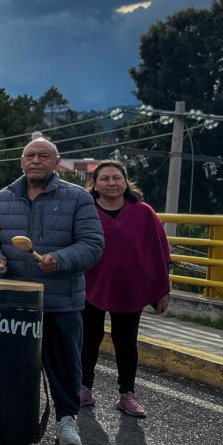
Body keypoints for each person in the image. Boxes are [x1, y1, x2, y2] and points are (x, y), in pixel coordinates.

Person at [0, 137, 104, 445]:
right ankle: (14, 420)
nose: (35, 160)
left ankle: (66, 420)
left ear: (56, 162)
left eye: (43, 156)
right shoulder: (2, 197)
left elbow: (92, 244)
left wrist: (60, 260)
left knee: (64, 364)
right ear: (22, 162)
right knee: (13, 365)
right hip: (15, 300)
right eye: (30, 155)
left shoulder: (77, 198)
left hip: (60, 300)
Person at [81, 160, 171, 418]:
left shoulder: (143, 212)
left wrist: (161, 291)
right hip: (90, 285)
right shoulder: (85, 210)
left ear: (125, 182)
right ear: (95, 184)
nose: (111, 183)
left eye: (116, 178)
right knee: (88, 338)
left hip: (131, 288)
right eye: (105, 178)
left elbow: (159, 252)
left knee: (126, 341)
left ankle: (127, 394)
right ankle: (84, 387)